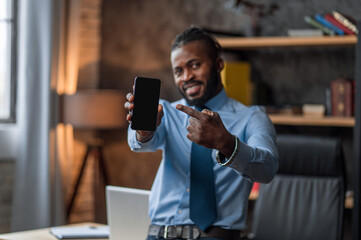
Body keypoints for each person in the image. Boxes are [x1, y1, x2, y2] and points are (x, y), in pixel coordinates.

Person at [124, 26, 278, 240]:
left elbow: (267, 169)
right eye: (178, 71)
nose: (187, 77)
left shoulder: (252, 117)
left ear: (218, 65)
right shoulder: (166, 112)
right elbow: (140, 143)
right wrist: (143, 132)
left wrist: (227, 144)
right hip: (157, 234)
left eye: (194, 65)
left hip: (214, 235)